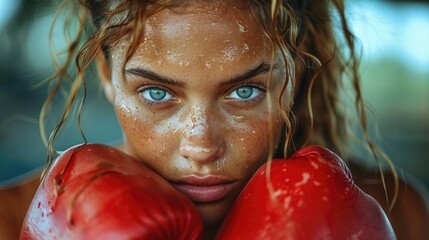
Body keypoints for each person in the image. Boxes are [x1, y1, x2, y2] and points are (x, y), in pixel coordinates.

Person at [1, 0, 428, 239]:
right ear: (107, 77)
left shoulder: (397, 212)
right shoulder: (8, 220)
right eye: (156, 93)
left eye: (245, 91)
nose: (201, 146)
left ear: (294, 74)